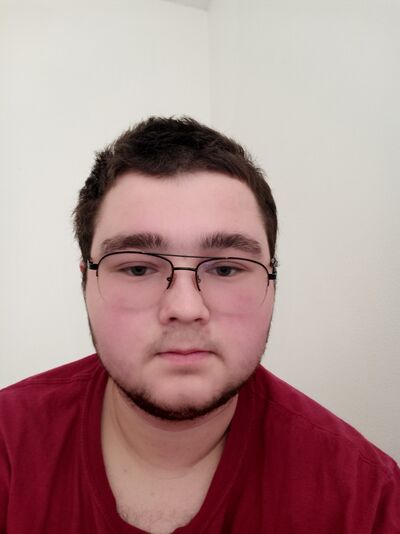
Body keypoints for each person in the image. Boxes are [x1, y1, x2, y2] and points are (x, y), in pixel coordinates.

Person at [0, 117, 399, 534]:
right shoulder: (9, 444)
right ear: (86, 282)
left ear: (273, 282)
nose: (186, 308)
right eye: (138, 269)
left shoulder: (367, 500)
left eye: (226, 269)